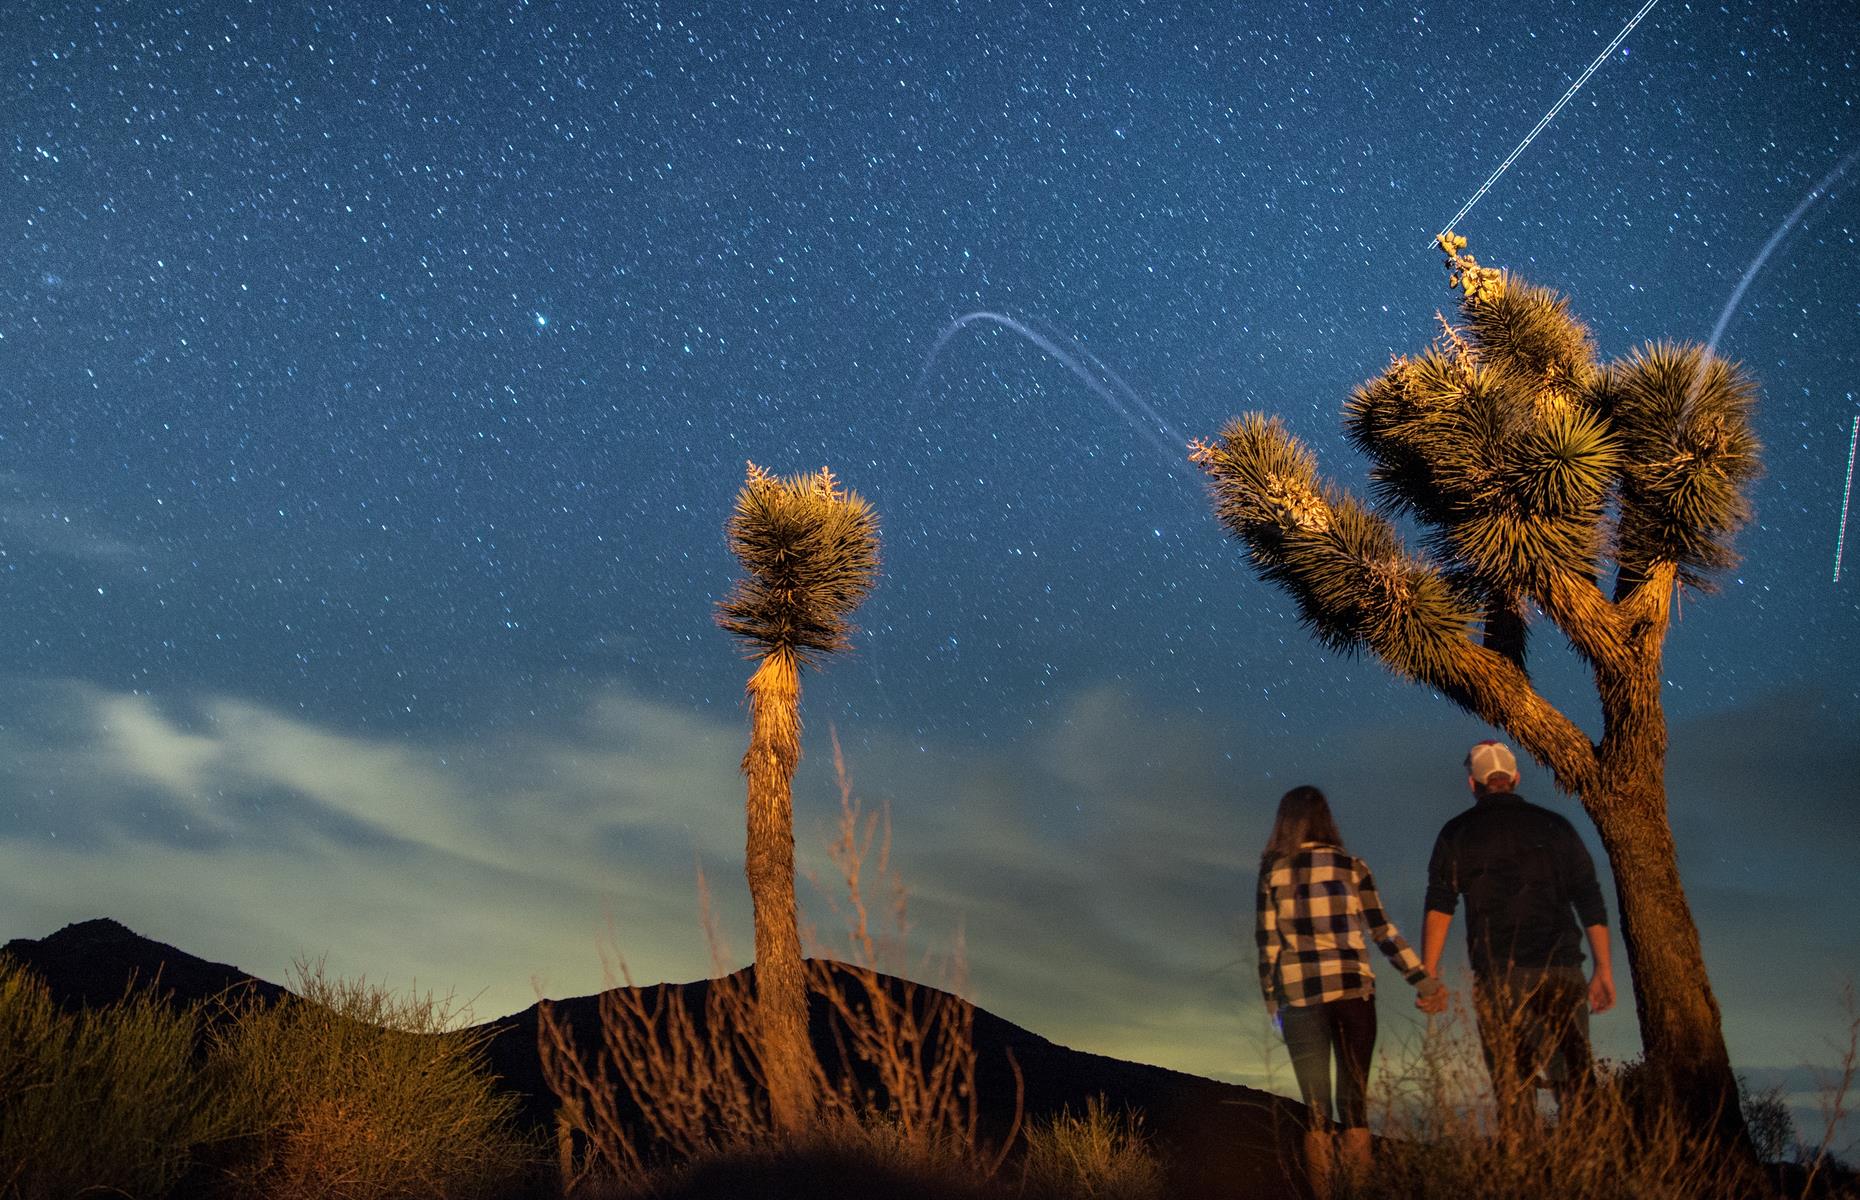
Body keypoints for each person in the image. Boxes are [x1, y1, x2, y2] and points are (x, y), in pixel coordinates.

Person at [1256, 785, 1445, 1198]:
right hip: (1353, 995)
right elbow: (1383, 931)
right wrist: (1421, 979)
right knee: (1355, 1107)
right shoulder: (1352, 867)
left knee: (1317, 1114)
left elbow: (1267, 944)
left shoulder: (1274, 870)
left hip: (1300, 1000)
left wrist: (1274, 1003)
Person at [1421, 739, 1615, 1136]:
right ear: (1515, 778)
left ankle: (1524, 1176)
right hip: (1561, 968)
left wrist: (1429, 973)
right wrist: (1604, 968)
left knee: (1513, 1090)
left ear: (1473, 785)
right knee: (1576, 1084)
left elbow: (1440, 904)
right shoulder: (1556, 826)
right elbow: (1588, 896)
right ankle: (1589, 1173)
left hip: (1499, 976)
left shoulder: (1456, 833)